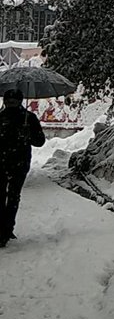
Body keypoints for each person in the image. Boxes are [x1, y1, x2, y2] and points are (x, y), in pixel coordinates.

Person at [0, 88, 45, 247]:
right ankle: (4, 229)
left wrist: (28, 135)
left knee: (12, 196)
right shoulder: (3, 117)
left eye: (13, 101)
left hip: (18, 163)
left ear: (19, 101)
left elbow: (40, 141)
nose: (10, 104)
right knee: (9, 196)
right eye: (8, 101)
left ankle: (6, 229)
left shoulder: (28, 118)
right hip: (9, 162)